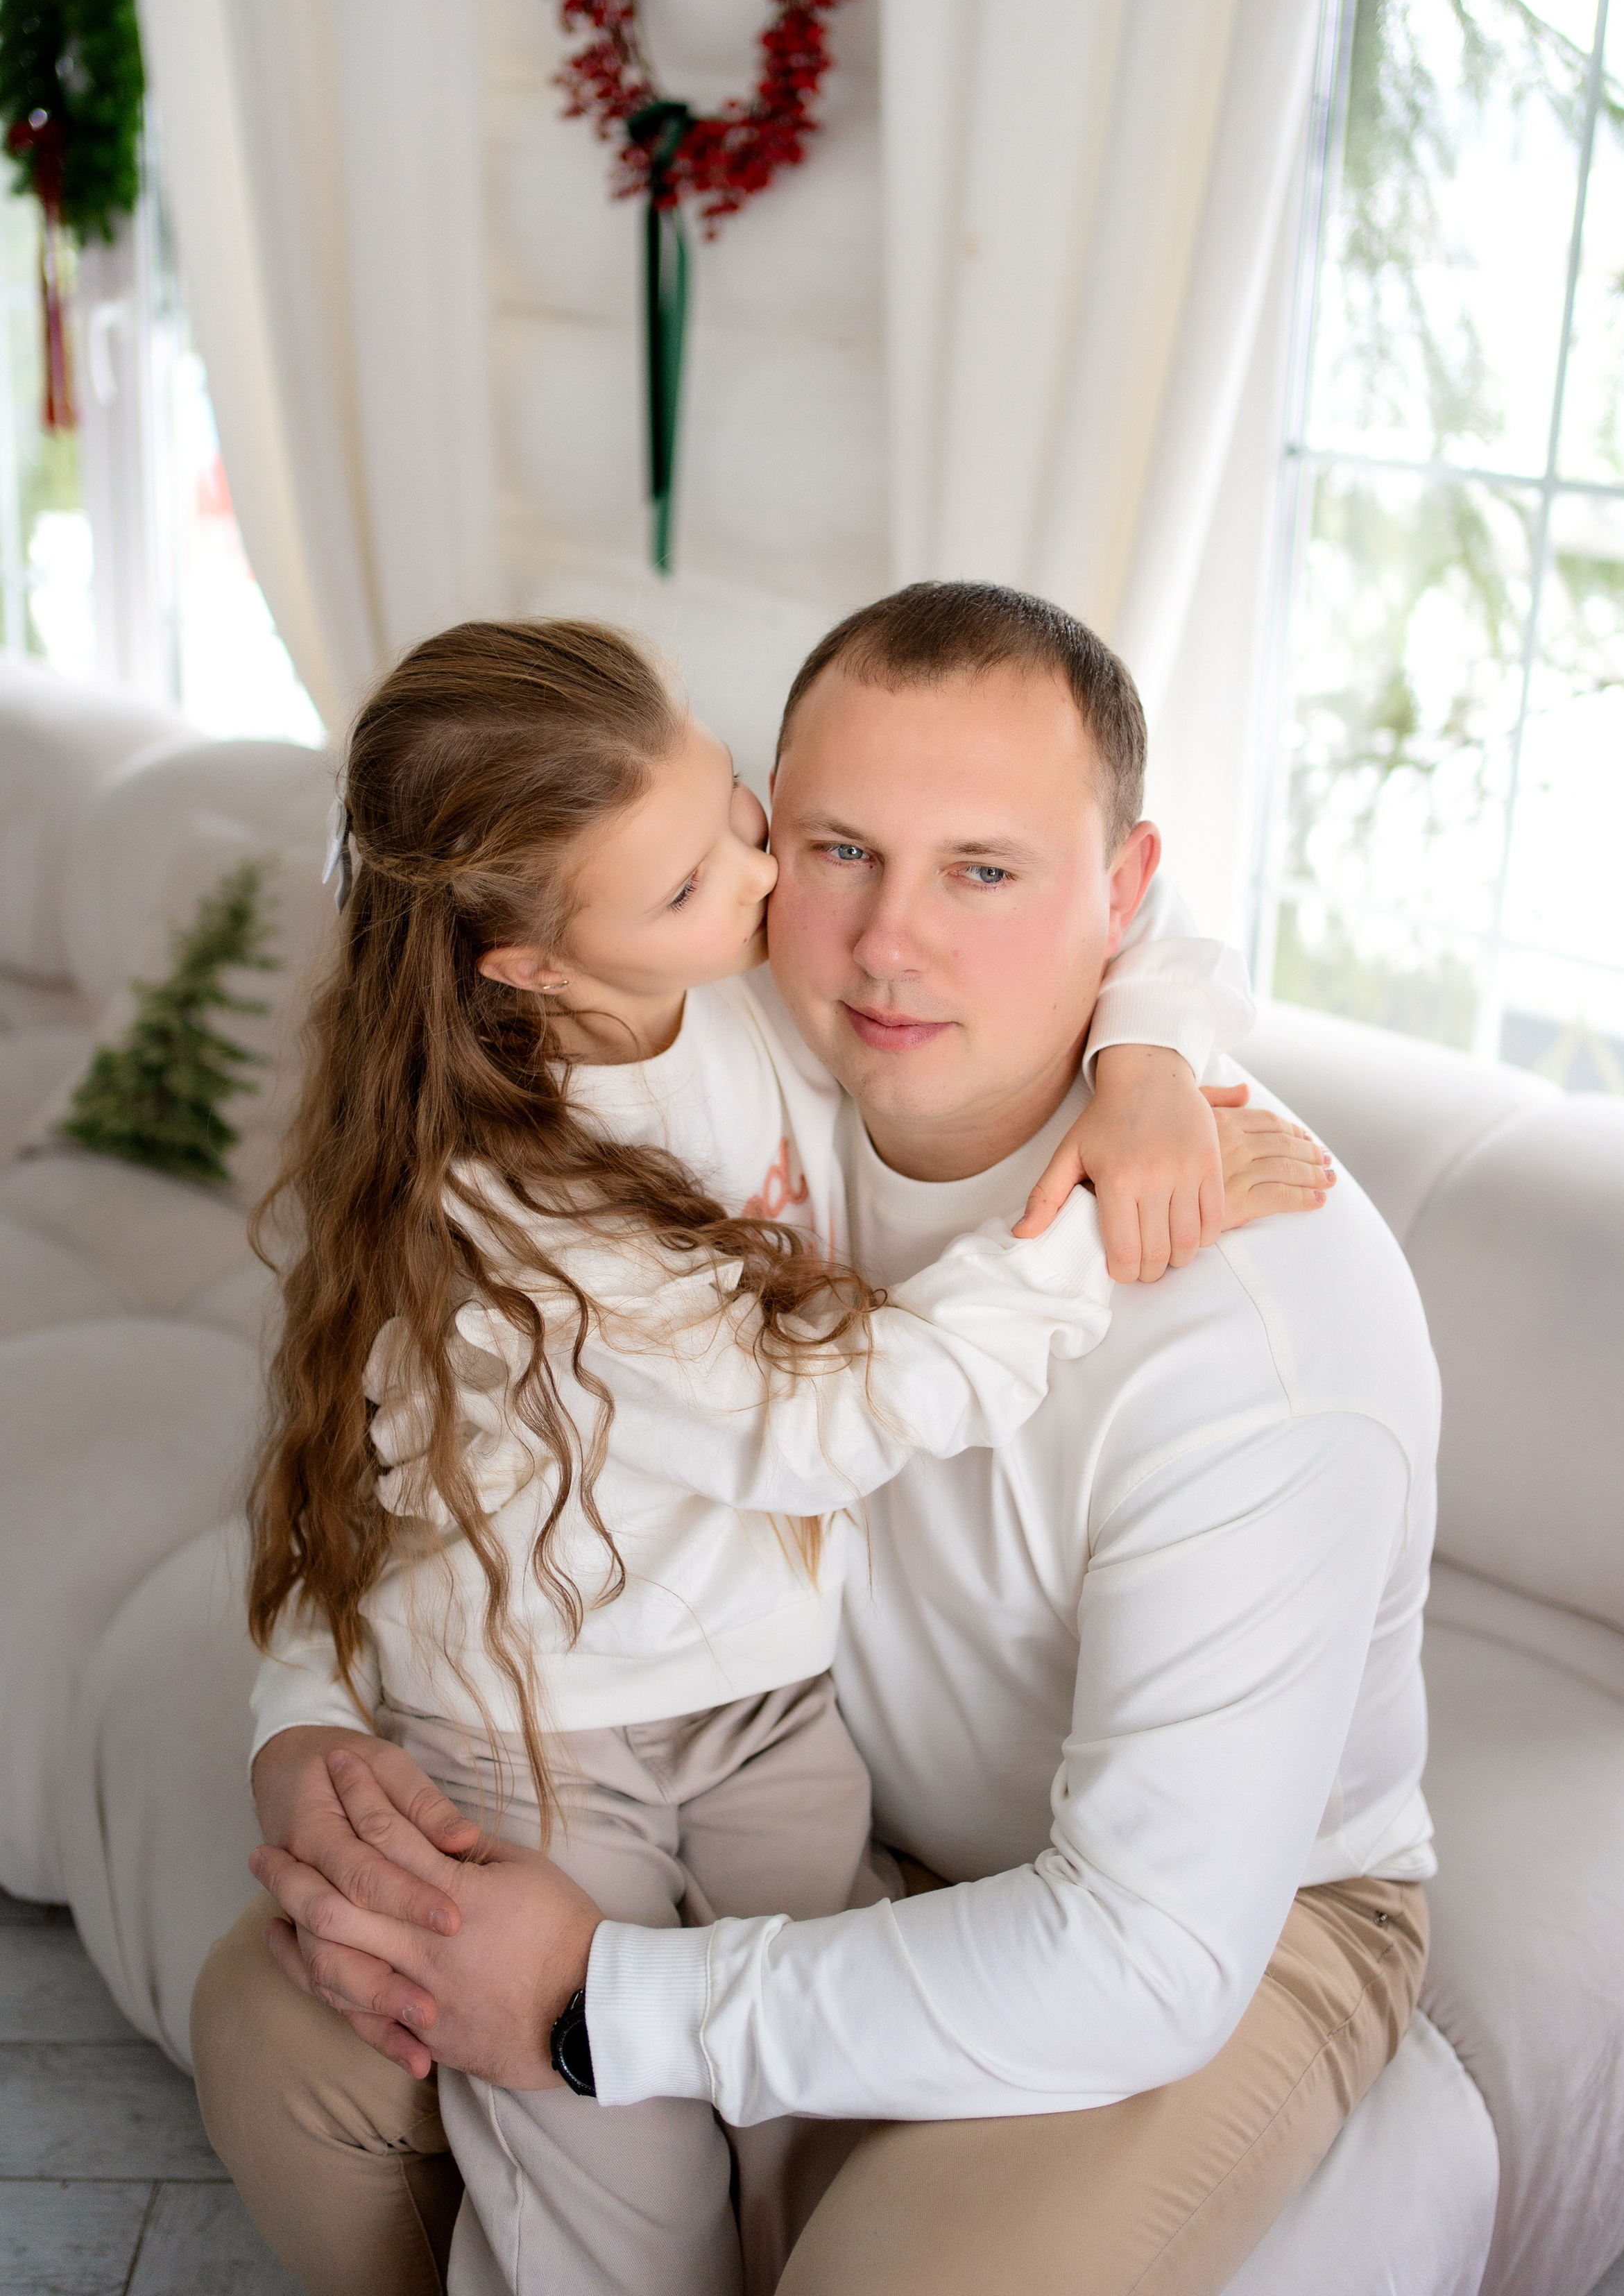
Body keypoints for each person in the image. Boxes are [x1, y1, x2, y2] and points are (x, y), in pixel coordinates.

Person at [206, 608, 1327, 2295]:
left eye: (737, 819)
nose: (769, 896)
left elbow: (1093, 891)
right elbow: (806, 1431)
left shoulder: (735, 994)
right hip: (543, 1733)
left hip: (762, 1700)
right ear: (536, 964)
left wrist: (1151, 1049)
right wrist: (1087, 1233)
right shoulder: (528, 1203)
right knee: (617, 2193)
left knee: (815, 2134)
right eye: (704, 880)